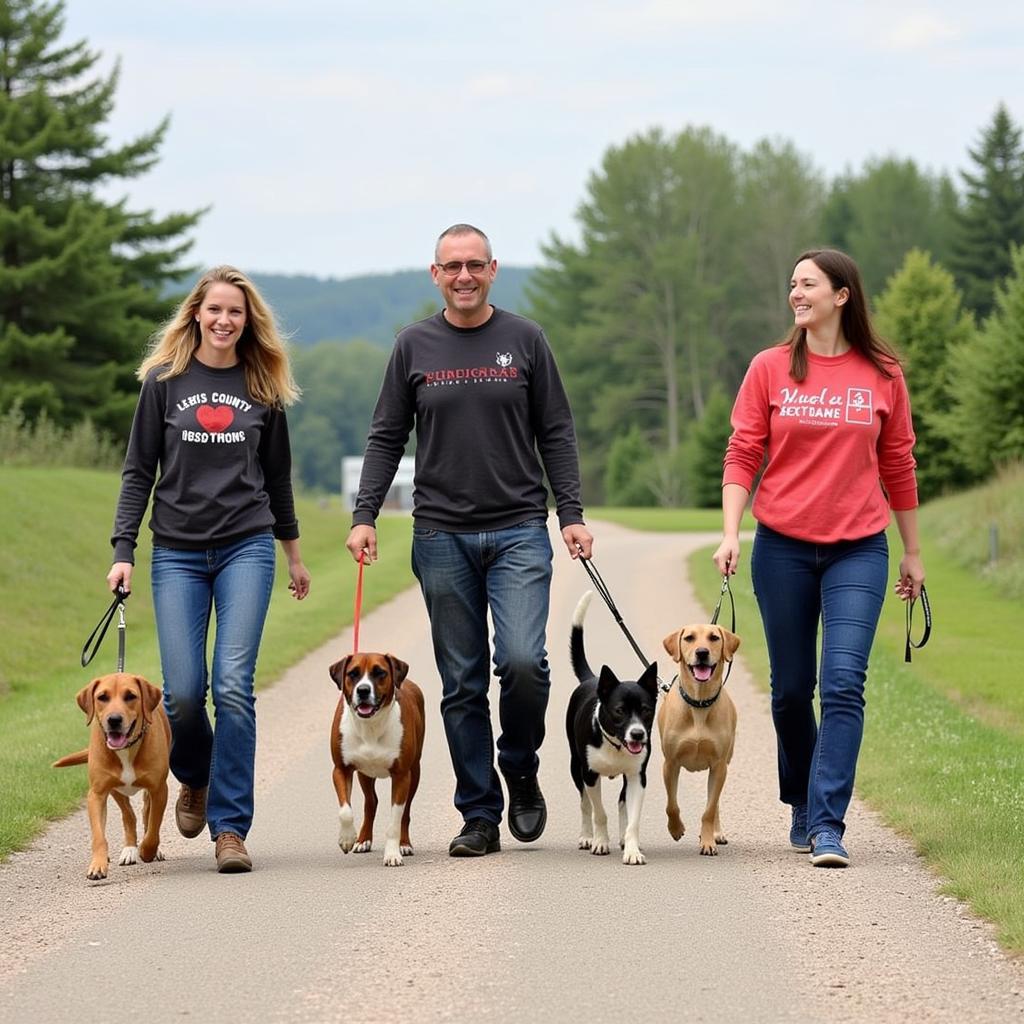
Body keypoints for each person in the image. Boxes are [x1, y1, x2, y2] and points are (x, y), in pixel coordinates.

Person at [346, 223, 593, 857]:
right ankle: (479, 813)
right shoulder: (413, 347)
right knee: (461, 681)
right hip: (440, 534)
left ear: (492, 270)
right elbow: (384, 436)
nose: (463, 276)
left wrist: (570, 512)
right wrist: (365, 514)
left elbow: (557, 431)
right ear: (435, 274)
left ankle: (519, 762)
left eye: (474, 266)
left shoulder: (525, 340)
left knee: (521, 662)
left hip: (517, 529)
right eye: (452, 266)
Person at [712, 247, 925, 869]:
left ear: (842, 294)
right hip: (780, 547)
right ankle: (801, 801)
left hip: (858, 548)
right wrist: (731, 531)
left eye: (808, 284)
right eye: (791, 285)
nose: (796, 294)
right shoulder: (770, 368)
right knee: (789, 691)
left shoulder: (883, 374)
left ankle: (828, 822)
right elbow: (743, 452)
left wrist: (912, 551)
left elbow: (899, 462)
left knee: (842, 683)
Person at [107, 265, 311, 874]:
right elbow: (139, 470)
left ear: (249, 322)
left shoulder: (262, 387)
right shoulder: (164, 383)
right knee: (184, 693)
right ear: (196, 313)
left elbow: (277, 479)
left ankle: (230, 827)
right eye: (216, 309)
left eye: (237, 312)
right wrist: (124, 551)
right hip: (176, 551)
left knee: (232, 686)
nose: (225, 320)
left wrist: (293, 555)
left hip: (247, 545)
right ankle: (192, 775)